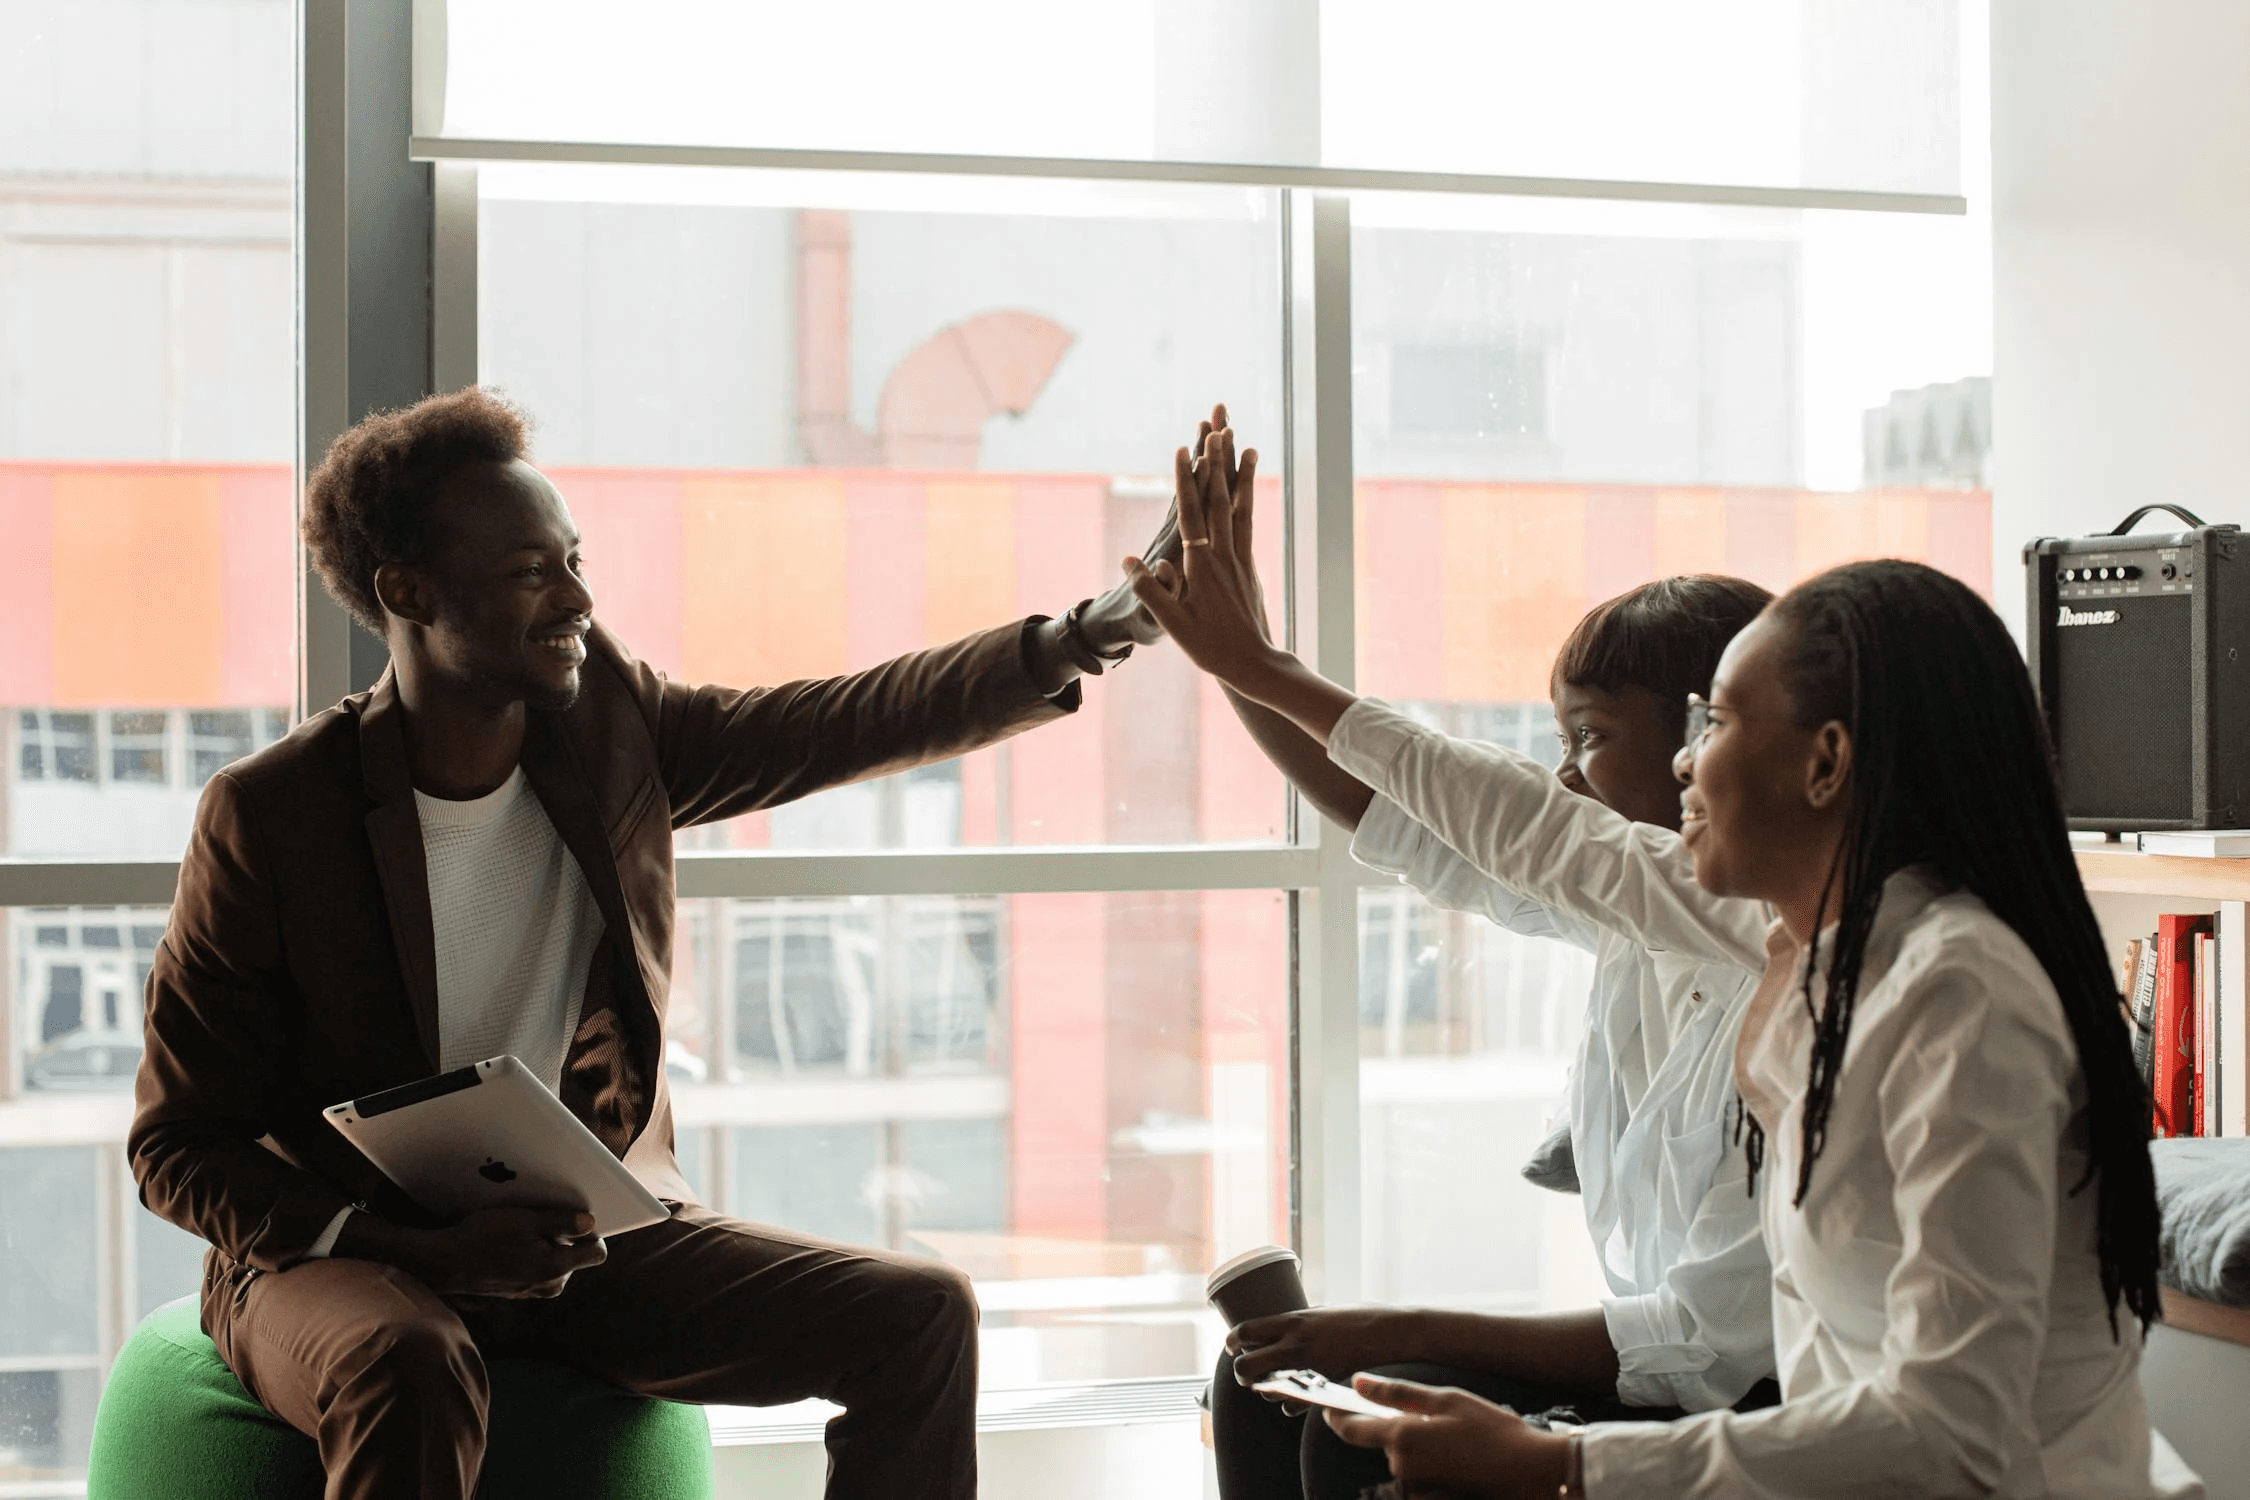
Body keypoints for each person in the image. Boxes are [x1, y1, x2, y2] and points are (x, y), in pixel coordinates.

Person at [128, 386, 1186, 1500]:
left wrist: (1088, 634)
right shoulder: (274, 814)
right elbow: (178, 1144)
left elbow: (846, 717)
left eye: (574, 559)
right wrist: (418, 1252)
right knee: (410, 1362)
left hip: (580, 1237)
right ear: (409, 592)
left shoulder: (611, 729)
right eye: (533, 571)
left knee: (919, 1317)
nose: (579, 597)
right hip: (340, 1256)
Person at [1128, 462, 2195, 1499]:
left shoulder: (1960, 1000)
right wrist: (1253, 664)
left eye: (1718, 726)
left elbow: (1950, 1436)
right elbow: (1520, 823)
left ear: (1824, 765)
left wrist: (1558, 1463)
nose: (1689, 763)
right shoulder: (1801, 941)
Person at [1193, 409, 1779, 1499]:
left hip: (1740, 1406)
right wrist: (1231, 658)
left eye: (1590, 740)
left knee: (1351, 1418)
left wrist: (1386, 1322)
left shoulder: (1783, 955)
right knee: (1258, 1383)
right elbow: (1407, 821)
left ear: (1704, 740)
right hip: (1660, 1374)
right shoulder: (1633, 930)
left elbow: (1705, 1347)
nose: (1564, 780)